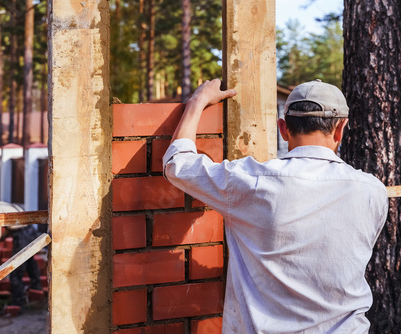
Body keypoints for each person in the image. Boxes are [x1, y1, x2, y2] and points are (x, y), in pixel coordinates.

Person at [162, 79, 388, 333]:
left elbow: (177, 165)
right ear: (340, 129)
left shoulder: (251, 181)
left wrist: (198, 101)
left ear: (283, 128)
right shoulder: (373, 191)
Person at [0, 190, 41, 311]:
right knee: (30, 261)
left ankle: (17, 303)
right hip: (31, 232)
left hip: (22, 236)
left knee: (15, 270)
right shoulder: (6, 205)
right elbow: (11, 228)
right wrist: (1, 239)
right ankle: (36, 290)